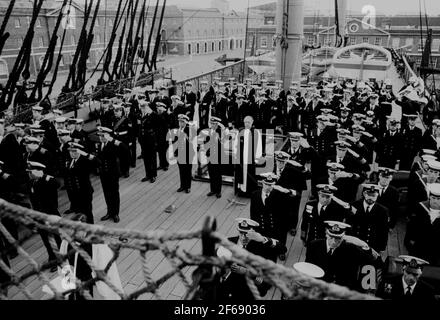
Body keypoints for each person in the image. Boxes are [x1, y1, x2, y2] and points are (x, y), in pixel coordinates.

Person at [216, 218, 285, 300]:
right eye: (241, 232)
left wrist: (262, 239)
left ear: (253, 233)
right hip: (228, 287)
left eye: (247, 234)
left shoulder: (261, 249)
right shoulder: (228, 242)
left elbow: (283, 249)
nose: (243, 237)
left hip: (247, 290)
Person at [305, 221, 382, 291]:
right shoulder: (314, 246)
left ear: (343, 236)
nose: (334, 242)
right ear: (326, 233)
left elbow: (374, 262)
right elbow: (308, 267)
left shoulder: (351, 249)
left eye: (338, 238)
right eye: (331, 237)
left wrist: (365, 246)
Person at [26, 161, 61, 272]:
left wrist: (44, 176)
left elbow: (57, 184)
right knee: (46, 239)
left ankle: (59, 259)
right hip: (39, 217)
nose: (29, 174)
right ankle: (52, 257)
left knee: (55, 238)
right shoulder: (32, 182)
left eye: (31, 172)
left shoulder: (47, 180)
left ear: (38, 171)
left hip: (50, 215)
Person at [250, 174, 287, 259]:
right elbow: (253, 212)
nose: (268, 187)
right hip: (261, 226)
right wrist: (254, 225)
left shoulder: (279, 196)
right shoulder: (255, 194)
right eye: (266, 184)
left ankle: (280, 252)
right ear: (262, 183)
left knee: (274, 246)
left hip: (274, 226)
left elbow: (283, 214)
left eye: (270, 185)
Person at [347, 184, 390, 253]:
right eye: (368, 194)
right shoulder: (354, 205)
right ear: (364, 194)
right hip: (354, 242)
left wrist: (382, 247)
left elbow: (384, 231)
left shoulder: (383, 211)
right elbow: (348, 225)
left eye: (373, 195)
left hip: (372, 245)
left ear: (377, 195)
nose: (371, 198)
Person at [405, 183, 440, 266]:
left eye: (438, 199)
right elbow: (411, 226)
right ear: (429, 197)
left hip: (436, 251)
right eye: (433, 198)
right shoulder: (420, 207)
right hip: (418, 247)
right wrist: (410, 243)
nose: (435, 201)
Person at [95, 127, 121, 223]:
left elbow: (124, 149)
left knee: (114, 194)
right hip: (103, 174)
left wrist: (112, 140)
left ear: (108, 135)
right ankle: (109, 212)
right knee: (107, 194)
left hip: (112, 173)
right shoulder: (99, 145)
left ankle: (115, 213)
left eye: (103, 136)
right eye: (100, 136)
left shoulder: (113, 144)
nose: (101, 138)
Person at [63, 142, 95, 224]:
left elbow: (98, 162)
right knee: (79, 212)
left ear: (79, 151)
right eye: (70, 151)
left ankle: (91, 229)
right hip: (75, 193)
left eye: (74, 151)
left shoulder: (84, 160)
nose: (72, 153)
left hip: (84, 192)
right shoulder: (70, 160)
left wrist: (86, 154)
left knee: (88, 213)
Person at [233, 116, 263, 197]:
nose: (247, 124)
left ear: (252, 122)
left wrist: (257, 158)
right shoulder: (240, 131)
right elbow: (235, 145)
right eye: (245, 122)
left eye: (248, 122)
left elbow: (259, 146)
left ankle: (250, 192)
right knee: (241, 175)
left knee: (250, 176)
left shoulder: (256, 132)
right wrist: (236, 155)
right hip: (241, 158)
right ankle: (241, 191)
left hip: (251, 159)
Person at [170, 114, 196, 193]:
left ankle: (188, 187)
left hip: (188, 154)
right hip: (180, 153)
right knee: (181, 170)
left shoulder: (189, 130)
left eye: (182, 122)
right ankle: (182, 185)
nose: (180, 123)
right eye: (179, 122)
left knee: (187, 171)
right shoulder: (178, 130)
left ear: (185, 122)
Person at [202, 117, 226, 198]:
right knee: (211, 173)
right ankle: (213, 190)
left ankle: (218, 191)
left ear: (217, 124)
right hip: (210, 156)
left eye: (214, 124)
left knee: (218, 174)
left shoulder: (221, 131)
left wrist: (221, 126)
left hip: (218, 156)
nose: (212, 125)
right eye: (211, 123)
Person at [139, 101, 158, 183]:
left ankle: (153, 175)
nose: (143, 109)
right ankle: (148, 174)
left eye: (145, 108)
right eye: (142, 108)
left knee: (152, 158)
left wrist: (151, 112)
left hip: (151, 140)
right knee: (146, 158)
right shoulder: (143, 116)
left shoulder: (152, 116)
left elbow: (157, 120)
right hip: (144, 141)